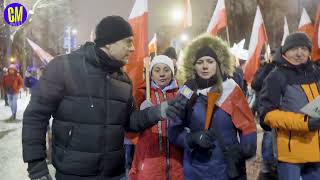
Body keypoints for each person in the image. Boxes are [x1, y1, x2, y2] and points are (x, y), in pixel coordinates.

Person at [22, 15, 181, 180]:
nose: (133, 48)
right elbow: (36, 115)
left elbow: (130, 122)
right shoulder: (64, 67)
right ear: (110, 42)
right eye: (128, 42)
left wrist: (158, 112)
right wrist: (36, 166)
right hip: (74, 174)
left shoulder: (123, 80)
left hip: (114, 174)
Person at [167, 34, 257, 180]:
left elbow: (247, 125)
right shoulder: (187, 91)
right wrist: (191, 138)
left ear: (218, 64)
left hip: (227, 169)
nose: (204, 66)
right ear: (193, 65)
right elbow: (173, 130)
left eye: (210, 61)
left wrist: (245, 149)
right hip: (195, 169)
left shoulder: (231, 89)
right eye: (200, 62)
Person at [259, 32, 320, 180]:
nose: (300, 53)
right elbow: (268, 115)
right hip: (290, 154)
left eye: (304, 49)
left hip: (317, 150)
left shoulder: (316, 72)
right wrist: (304, 122)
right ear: (285, 51)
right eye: (294, 49)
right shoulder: (275, 76)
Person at [129, 55, 184, 180]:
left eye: (166, 69)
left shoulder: (181, 94)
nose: (162, 74)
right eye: (157, 70)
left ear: (172, 72)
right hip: (149, 162)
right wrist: (142, 114)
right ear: (151, 74)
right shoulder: (142, 94)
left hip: (177, 163)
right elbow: (129, 126)